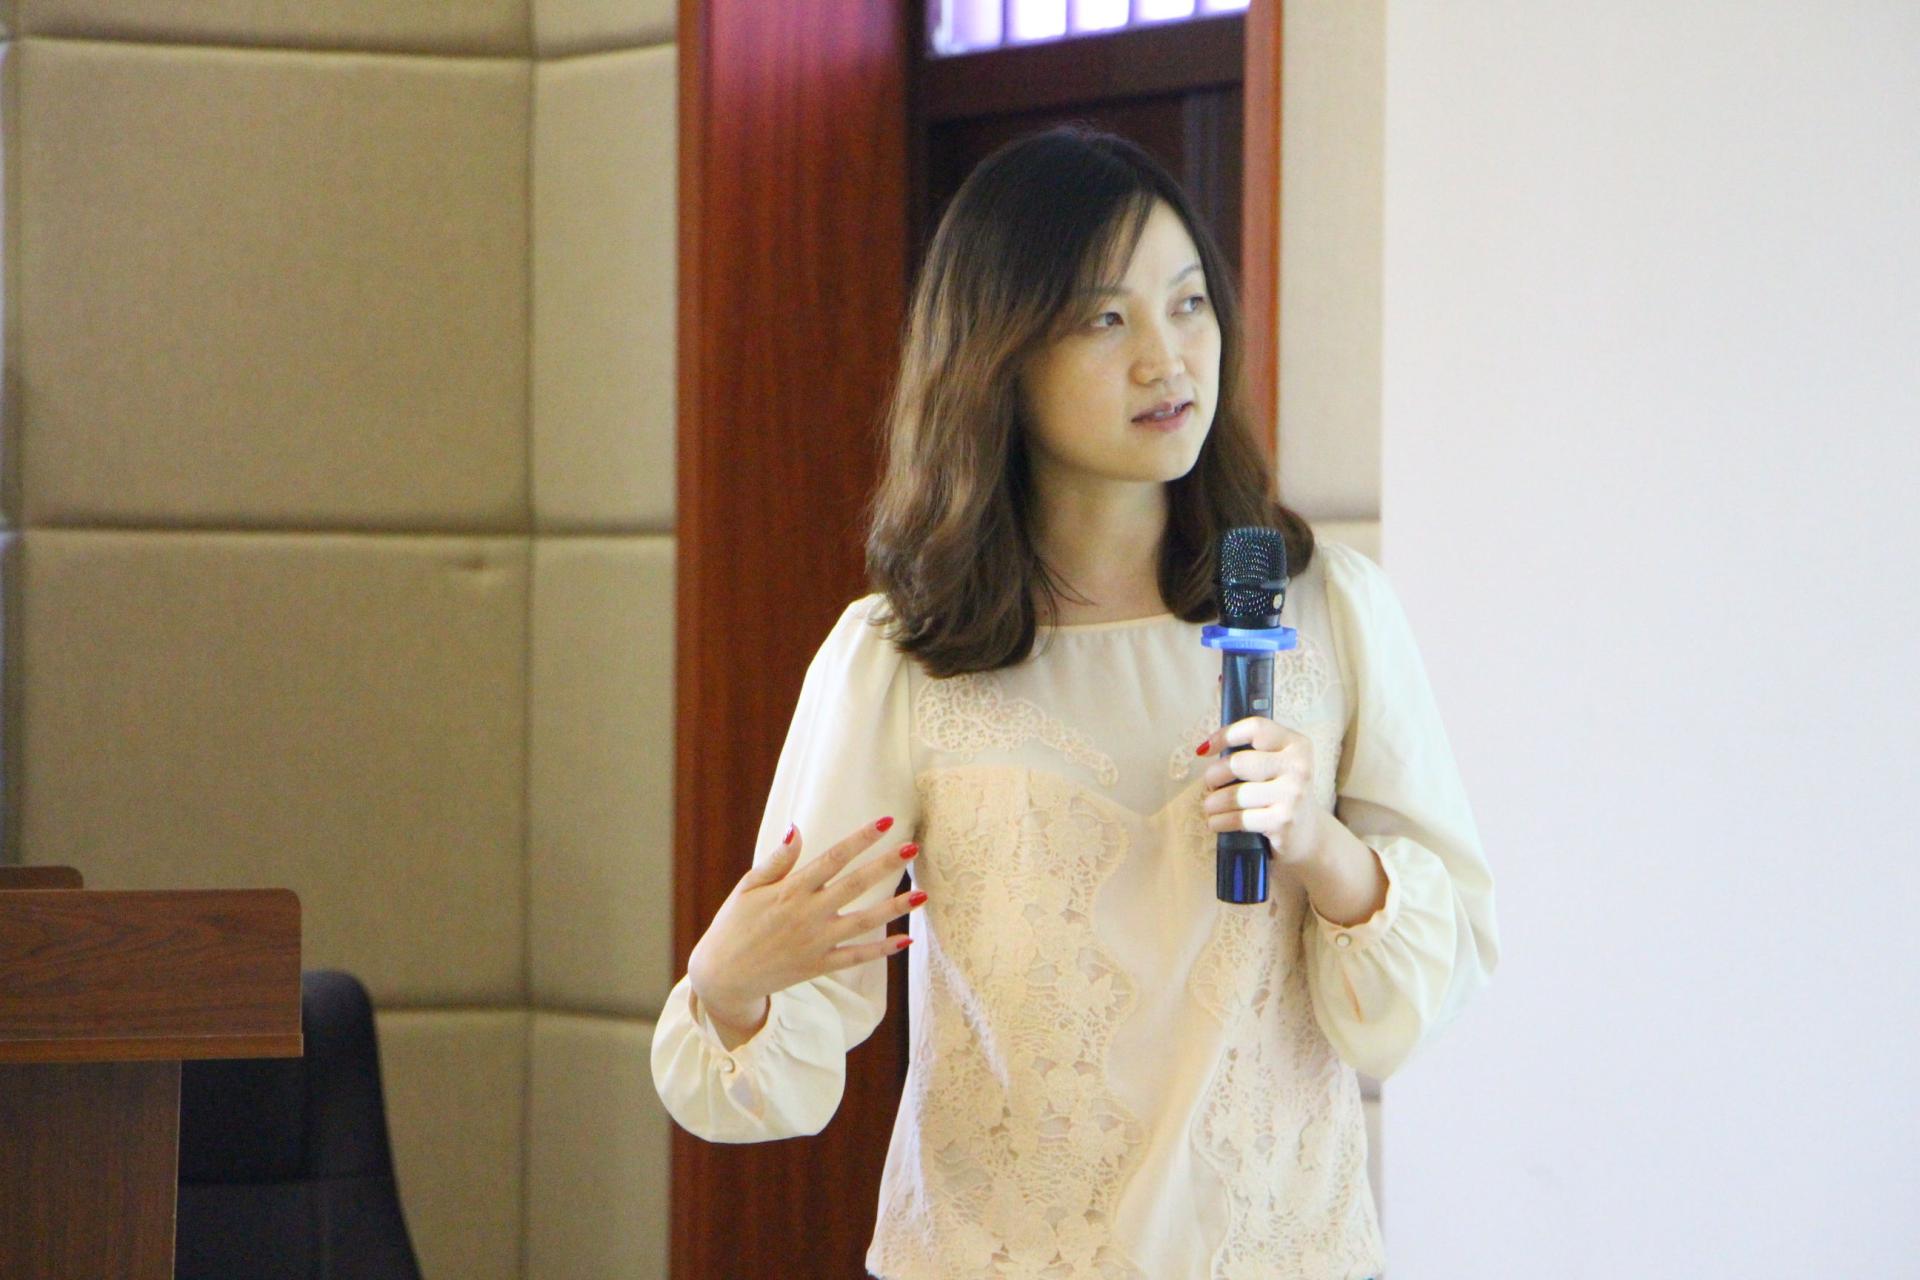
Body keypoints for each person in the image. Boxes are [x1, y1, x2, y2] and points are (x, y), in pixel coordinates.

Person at [651, 124, 1499, 1280]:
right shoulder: (900, 658)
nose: (1167, 357)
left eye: (1189, 304)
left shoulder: (1327, 610)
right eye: (1106, 318)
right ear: (999, 353)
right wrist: (728, 980)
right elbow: (777, 1060)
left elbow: (1413, 1001)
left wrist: (1317, 841)